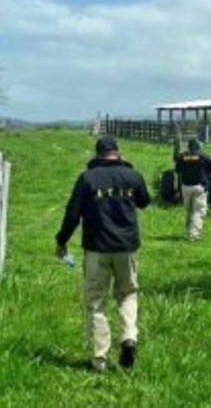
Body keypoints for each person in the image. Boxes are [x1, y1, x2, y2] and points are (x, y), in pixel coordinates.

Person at [55, 136, 151, 372]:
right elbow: (144, 202)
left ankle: (100, 359)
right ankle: (129, 337)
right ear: (118, 152)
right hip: (127, 247)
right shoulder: (132, 175)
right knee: (127, 293)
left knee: (96, 302)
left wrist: (62, 240)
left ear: (97, 154)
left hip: (96, 248)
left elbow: (72, 213)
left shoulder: (87, 178)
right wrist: (128, 170)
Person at [174, 138, 211, 241]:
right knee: (198, 211)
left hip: (185, 187)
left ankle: (189, 230)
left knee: (189, 210)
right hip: (199, 187)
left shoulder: (182, 157)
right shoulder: (203, 156)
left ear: (189, 146)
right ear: (199, 147)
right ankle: (193, 235)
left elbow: (177, 170)